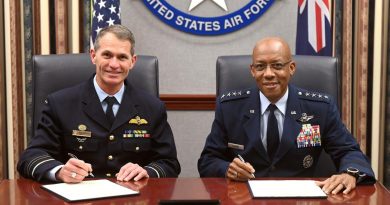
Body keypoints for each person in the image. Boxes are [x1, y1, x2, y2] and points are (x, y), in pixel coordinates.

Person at [198, 37, 375, 194]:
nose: (268, 74)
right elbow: (208, 160)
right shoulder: (230, 107)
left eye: (277, 65)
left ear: (291, 68)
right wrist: (227, 168)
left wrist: (349, 173)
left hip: (301, 199)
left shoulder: (319, 107)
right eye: (260, 67)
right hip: (244, 197)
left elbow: (348, 151)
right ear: (252, 71)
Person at [17, 25, 181, 183]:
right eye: (107, 55)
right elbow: (31, 157)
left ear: (133, 61)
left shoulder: (152, 107)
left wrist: (147, 172)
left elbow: (169, 163)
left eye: (122, 57)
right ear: (93, 55)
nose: (114, 64)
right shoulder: (60, 103)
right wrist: (59, 171)